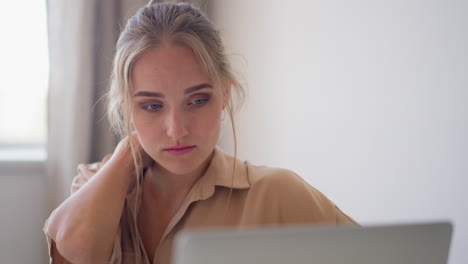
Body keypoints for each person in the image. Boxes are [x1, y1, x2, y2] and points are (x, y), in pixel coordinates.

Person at [43, 2, 357, 264]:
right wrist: (130, 150)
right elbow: (76, 251)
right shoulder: (93, 182)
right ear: (127, 108)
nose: (176, 129)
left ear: (224, 96)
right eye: (152, 106)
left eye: (197, 100)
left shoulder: (277, 194)